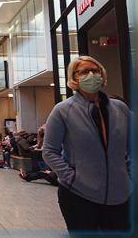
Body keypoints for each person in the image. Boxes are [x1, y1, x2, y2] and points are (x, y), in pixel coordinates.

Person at [43, 56, 131, 233]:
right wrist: (72, 178)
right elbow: (49, 151)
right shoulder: (63, 110)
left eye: (95, 70)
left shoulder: (120, 109)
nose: (91, 75)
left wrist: (131, 176)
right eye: (84, 71)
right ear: (74, 78)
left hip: (120, 196)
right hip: (79, 197)